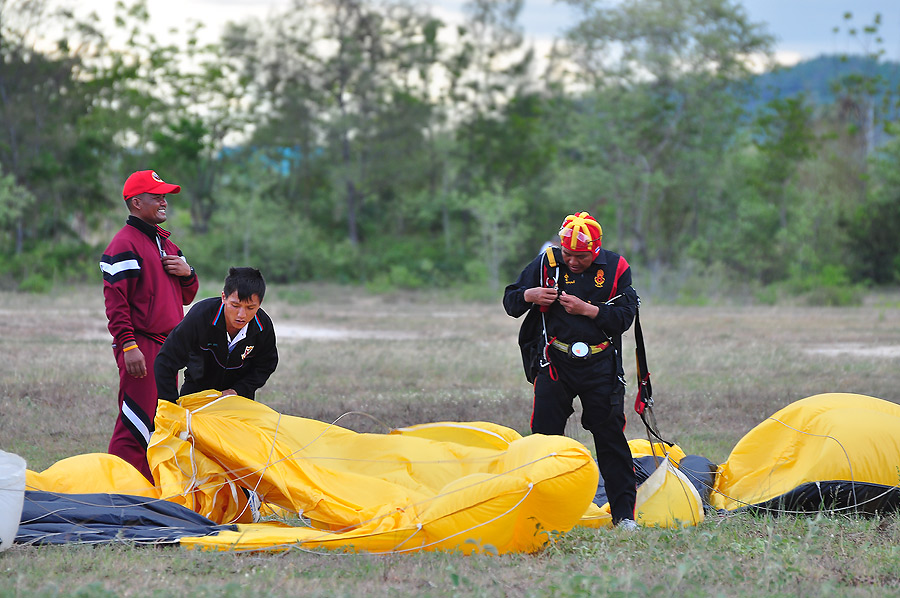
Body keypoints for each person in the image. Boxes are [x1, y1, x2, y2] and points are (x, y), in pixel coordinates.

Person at [503, 211, 639, 530]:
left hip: (601, 364)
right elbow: (510, 302)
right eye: (568, 254)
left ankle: (624, 517)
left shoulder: (616, 268)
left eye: (581, 257)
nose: (573, 262)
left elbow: (624, 317)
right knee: (544, 439)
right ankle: (542, 513)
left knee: (610, 440)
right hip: (555, 363)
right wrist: (529, 295)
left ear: (595, 250)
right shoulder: (546, 263)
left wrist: (588, 310)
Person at [99, 169, 199, 481]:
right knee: (135, 421)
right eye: (157, 196)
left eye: (165, 196)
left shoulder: (167, 244)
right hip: (141, 345)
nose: (164, 201)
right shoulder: (123, 244)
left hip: (168, 348)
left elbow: (187, 296)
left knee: (161, 420)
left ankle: (151, 490)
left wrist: (187, 273)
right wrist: (128, 345)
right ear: (136, 202)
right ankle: (119, 492)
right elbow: (116, 304)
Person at [154, 267, 278, 404]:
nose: (241, 315)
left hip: (238, 400)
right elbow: (165, 360)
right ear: (224, 297)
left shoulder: (263, 326)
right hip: (196, 395)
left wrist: (239, 390)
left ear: (260, 304)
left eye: (250, 308)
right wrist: (170, 404)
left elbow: (266, 364)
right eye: (235, 305)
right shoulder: (200, 316)